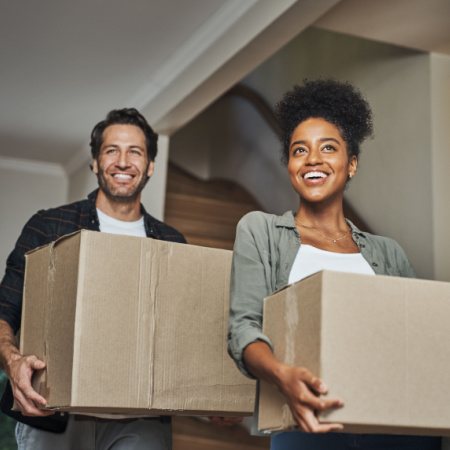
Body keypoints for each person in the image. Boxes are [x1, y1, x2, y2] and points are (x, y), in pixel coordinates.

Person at [227, 79, 442, 449]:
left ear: (352, 163)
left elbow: (421, 340)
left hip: (398, 430)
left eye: (328, 147)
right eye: (299, 150)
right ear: (289, 164)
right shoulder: (260, 231)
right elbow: (242, 328)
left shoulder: (389, 253)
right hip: (306, 426)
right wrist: (283, 376)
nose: (313, 159)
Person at [0, 108, 186, 449]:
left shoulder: (172, 244)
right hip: (54, 411)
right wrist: (13, 362)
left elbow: (184, 335)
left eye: (135, 151)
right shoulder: (48, 227)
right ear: (96, 163)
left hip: (143, 417)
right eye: (111, 150)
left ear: (150, 166)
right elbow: (4, 312)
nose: (123, 161)